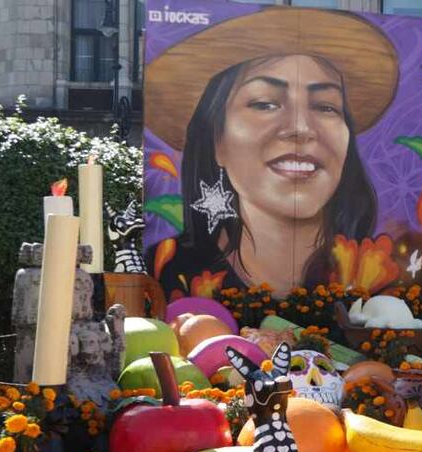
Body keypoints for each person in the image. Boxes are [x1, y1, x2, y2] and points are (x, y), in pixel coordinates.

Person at [143, 8, 399, 297]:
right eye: (265, 103)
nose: (301, 128)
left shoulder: (381, 278)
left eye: (326, 106)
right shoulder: (168, 271)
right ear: (217, 140)